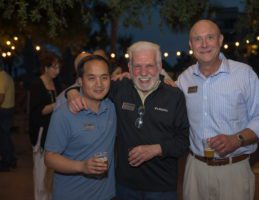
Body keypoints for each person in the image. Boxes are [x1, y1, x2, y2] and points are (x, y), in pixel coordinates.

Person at [66, 41, 190, 199]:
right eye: (137, 66)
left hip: (162, 187)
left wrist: (156, 149)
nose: (143, 72)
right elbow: (91, 85)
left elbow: (184, 140)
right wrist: (72, 92)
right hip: (125, 186)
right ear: (130, 68)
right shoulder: (119, 88)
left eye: (149, 66)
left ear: (159, 67)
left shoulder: (174, 96)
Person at [176, 19, 259, 200]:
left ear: (220, 40)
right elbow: (164, 96)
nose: (204, 44)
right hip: (195, 170)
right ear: (191, 45)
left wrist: (237, 139)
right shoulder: (184, 79)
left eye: (210, 37)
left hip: (234, 171)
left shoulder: (244, 74)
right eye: (198, 39)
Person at [44, 54, 116, 200]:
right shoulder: (64, 114)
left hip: (106, 195)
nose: (99, 84)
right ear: (80, 81)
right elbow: (49, 158)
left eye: (104, 77)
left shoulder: (112, 108)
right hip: (72, 195)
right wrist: (82, 166)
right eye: (91, 78)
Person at [29, 51, 61, 200]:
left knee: (51, 173)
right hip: (41, 132)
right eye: (54, 67)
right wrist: (58, 104)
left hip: (53, 131)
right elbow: (38, 111)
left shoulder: (57, 83)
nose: (57, 71)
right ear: (46, 68)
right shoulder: (37, 83)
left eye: (58, 67)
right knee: (40, 171)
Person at [0, 58, 16, 172]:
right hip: (9, 109)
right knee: (6, 136)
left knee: (3, 137)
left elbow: (0, 97)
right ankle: (11, 159)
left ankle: (6, 162)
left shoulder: (1, 77)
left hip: (4, 110)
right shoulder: (7, 75)